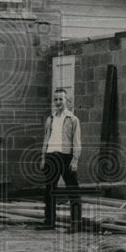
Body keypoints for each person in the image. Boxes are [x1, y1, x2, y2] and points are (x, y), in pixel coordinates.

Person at [38, 87, 83, 233]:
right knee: (50, 190)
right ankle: (49, 222)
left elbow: (77, 141)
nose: (58, 102)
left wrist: (75, 159)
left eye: (61, 99)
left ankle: (76, 223)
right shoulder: (50, 119)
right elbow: (46, 138)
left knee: (73, 190)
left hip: (66, 156)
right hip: (51, 156)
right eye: (55, 99)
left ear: (67, 101)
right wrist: (43, 157)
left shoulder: (73, 119)